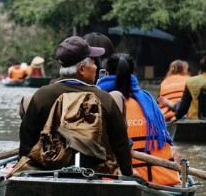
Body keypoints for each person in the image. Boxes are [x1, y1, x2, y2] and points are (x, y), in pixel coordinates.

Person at [13, 36, 131, 177]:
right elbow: (120, 145)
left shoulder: (41, 95)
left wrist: (22, 171)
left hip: (49, 172)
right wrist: (127, 174)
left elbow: (27, 142)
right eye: (94, 63)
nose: (96, 67)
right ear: (81, 68)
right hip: (95, 174)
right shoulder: (105, 98)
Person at [108, 54, 182, 186]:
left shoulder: (101, 101)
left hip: (115, 179)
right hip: (160, 180)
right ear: (132, 74)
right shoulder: (149, 102)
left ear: (107, 73)